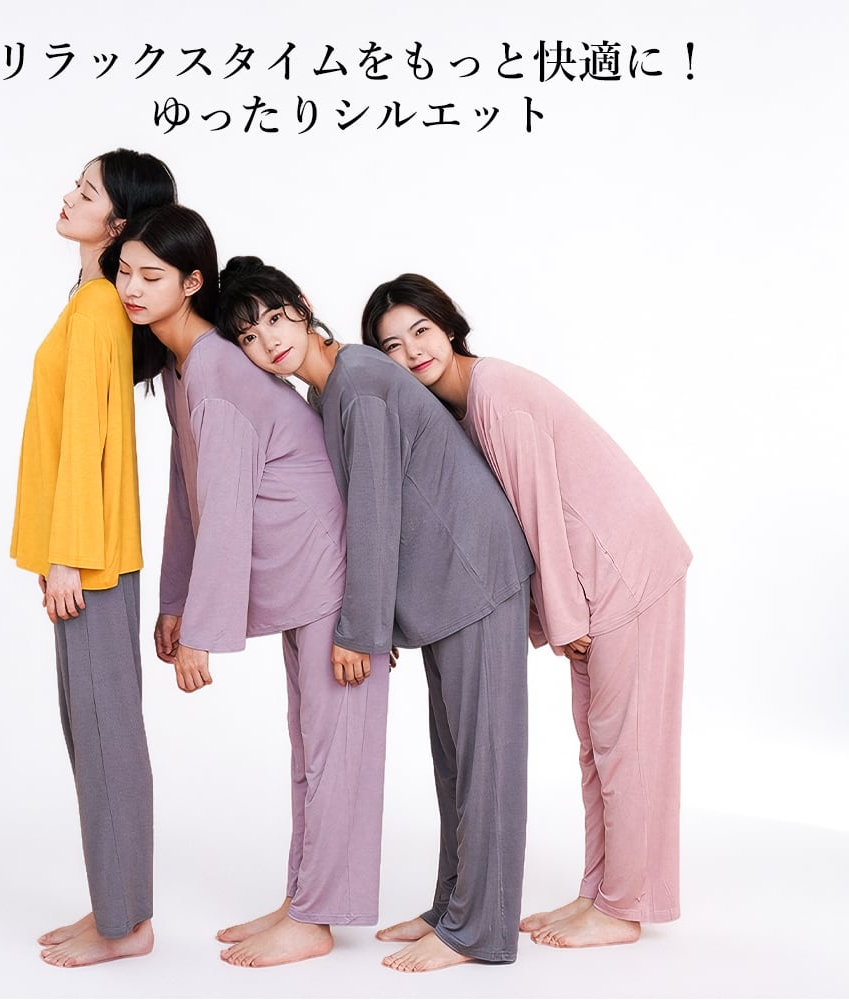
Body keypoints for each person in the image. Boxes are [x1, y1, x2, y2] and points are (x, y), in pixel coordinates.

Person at [217, 257, 536, 974]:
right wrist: (378, 620)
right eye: (248, 337)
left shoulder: (357, 383)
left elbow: (374, 513)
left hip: (475, 575)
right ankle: (453, 907)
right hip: (445, 587)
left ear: (303, 306)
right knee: (455, 759)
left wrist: (360, 630)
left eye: (275, 318)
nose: (269, 341)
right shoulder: (334, 388)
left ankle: (481, 931)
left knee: (485, 757)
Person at [361, 273, 692, 949]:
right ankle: (600, 894)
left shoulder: (495, 393)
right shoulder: (462, 407)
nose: (412, 352)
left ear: (449, 327)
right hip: (597, 575)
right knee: (597, 748)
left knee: (626, 747)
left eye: (421, 331)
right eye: (391, 345)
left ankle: (625, 907)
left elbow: (537, 508)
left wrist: (563, 620)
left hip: (624, 569)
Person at [110, 204, 390, 968]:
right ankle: (306, 899)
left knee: (336, 748)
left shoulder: (213, 366)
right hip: (299, 571)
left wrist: (203, 633)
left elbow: (228, 506)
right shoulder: (186, 369)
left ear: (189, 283)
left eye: (151, 276)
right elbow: (189, 489)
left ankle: (318, 916)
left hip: (327, 569)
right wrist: (175, 599)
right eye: (124, 273)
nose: (132, 289)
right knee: (312, 745)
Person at [10, 150, 176, 967]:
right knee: (95, 731)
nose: (69, 197)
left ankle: (127, 925)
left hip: (92, 561)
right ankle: (116, 903)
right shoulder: (92, 299)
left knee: (107, 736)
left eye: (87, 192)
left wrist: (69, 558)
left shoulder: (102, 305)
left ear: (118, 224)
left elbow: (88, 440)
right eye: (76, 185)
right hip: (84, 557)